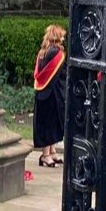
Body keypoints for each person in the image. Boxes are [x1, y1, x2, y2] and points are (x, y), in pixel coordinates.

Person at [32, 24, 67, 167]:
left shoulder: (43, 51)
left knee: (51, 123)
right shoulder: (55, 52)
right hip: (51, 94)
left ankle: (52, 152)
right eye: (62, 35)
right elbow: (61, 75)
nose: (64, 38)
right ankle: (45, 155)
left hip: (44, 93)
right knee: (49, 123)